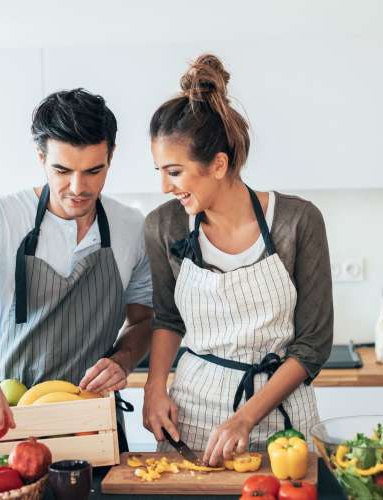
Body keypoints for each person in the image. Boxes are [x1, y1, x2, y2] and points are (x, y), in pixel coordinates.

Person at [0, 89, 153, 452]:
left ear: (111, 156)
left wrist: (123, 360)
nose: (78, 188)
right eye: (62, 170)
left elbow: (144, 320)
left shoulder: (131, 227)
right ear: (40, 157)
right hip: (10, 421)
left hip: (94, 425)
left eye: (94, 171)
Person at [142, 54, 333, 465]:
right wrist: (154, 388)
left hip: (285, 425)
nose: (163, 186)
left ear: (218, 164)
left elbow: (313, 345)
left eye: (174, 172)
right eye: (159, 170)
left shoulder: (297, 221)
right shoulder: (164, 226)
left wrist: (245, 417)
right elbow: (167, 319)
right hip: (192, 422)